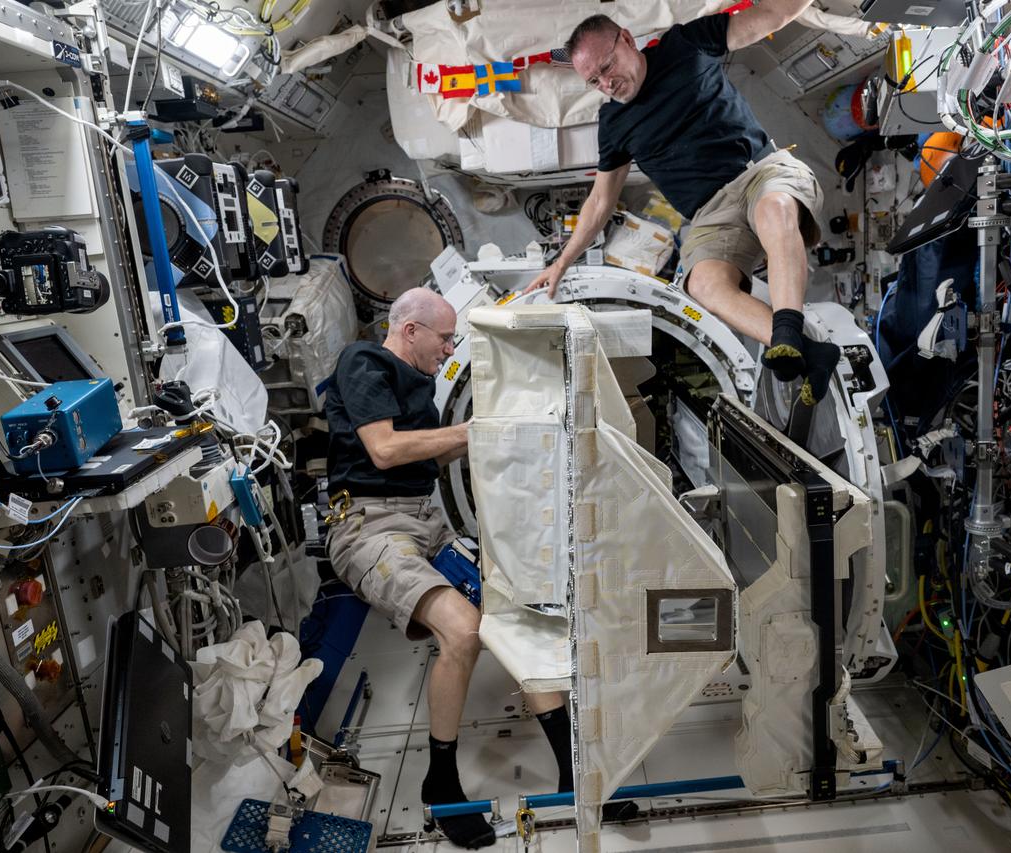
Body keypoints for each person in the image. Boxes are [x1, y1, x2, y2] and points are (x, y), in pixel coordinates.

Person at [324, 288, 633, 849]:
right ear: (410, 329)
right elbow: (386, 451)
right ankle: (440, 782)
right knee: (464, 632)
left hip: (426, 522)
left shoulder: (419, 382)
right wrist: (473, 432)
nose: (449, 350)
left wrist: (522, 427)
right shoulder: (362, 361)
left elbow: (436, 453)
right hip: (368, 527)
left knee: (514, 614)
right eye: (444, 338)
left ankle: (575, 772)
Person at [525, 0, 840, 405]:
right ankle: (813, 354)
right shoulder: (613, 124)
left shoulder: (685, 44)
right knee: (704, 285)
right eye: (593, 81)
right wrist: (561, 262)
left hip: (759, 173)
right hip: (711, 215)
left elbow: (770, 16)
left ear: (625, 39)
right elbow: (600, 202)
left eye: (606, 68)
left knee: (774, 209)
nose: (606, 84)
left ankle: (786, 333)